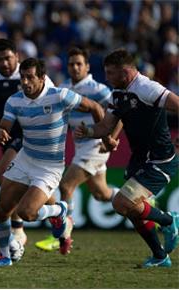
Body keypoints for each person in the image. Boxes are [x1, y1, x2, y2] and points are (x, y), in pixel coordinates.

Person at [0, 58, 105, 267]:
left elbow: (96, 107)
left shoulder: (60, 96)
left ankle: (60, 211)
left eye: (30, 78)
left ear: (42, 78)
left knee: (27, 213)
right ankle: (5, 255)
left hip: (49, 166)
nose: (25, 82)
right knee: (2, 211)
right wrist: (0, 132)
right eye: (22, 77)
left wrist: (104, 137)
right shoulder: (15, 100)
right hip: (25, 158)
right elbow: (5, 125)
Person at [75, 48, 179, 268]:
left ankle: (169, 221)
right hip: (139, 159)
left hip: (160, 159)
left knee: (122, 203)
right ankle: (160, 256)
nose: (107, 78)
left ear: (125, 72)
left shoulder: (147, 88)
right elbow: (106, 126)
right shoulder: (118, 94)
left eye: (111, 73)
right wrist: (89, 132)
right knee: (132, 211)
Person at [0, 38, 55, 247]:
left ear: (17, 56)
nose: (4, 63)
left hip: (31, 135)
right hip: (5, 137)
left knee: (4, 173)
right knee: (23, 183)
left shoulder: (30, 76)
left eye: (8, 58)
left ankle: (18, 230)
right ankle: (59, 213)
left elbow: (53, 100)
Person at [35, 47, 122, 254]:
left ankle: (62, 233)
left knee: (66, 186)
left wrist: (110, 139)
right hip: (80, 147)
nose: (75, 67)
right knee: (101, 194)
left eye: (79, 64)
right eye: (71, 64)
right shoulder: (63, 88)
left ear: (87, 67)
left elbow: (119, 114)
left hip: (96, 146)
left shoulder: (99, 90)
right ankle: (143, 203)